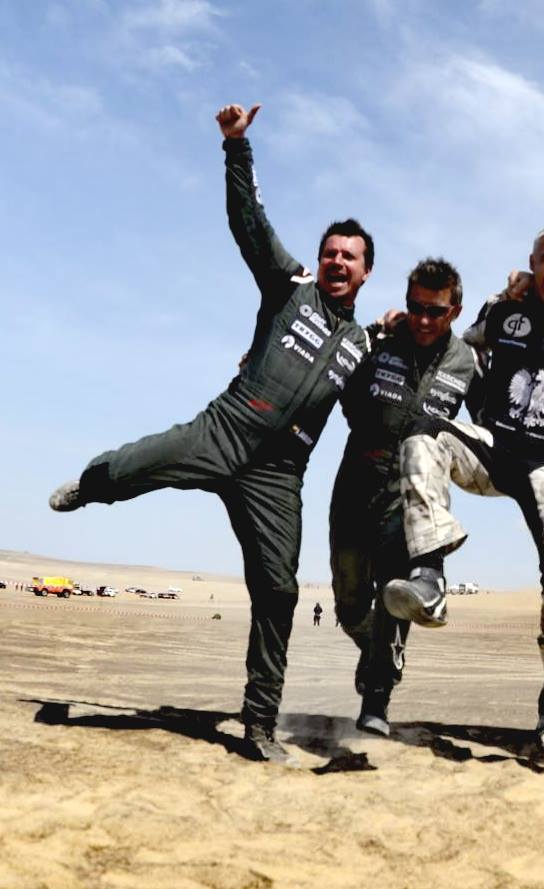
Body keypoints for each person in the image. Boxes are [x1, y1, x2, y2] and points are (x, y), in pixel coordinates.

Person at [47, 103, 378, 764]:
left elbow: (382, 412)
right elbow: (249, 223)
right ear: (319, 260)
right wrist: (236, 147)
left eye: (350, 256)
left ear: (366, 271)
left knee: (279, 592)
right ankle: (90, 484)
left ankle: (259, 724)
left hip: (279, 476)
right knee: (135, 466)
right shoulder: (289, 287)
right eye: (330, 253)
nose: (337, 261)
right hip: (225, 428)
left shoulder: (363, 346)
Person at [383, 224, 544, 754]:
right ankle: (429, 577)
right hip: (491, 446)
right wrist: (392, 325)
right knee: (423, 435)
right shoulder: (502, 310)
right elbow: (451, 340)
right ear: (532, 262)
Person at [329, 257, 481, 737]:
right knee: (349, 604)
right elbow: (333, 380)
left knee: (396, 592)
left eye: (435, 311)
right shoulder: (383, 344)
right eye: (415, 307)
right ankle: (372, 648)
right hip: (357, 485)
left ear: (455, 312)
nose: (423, 320)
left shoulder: (467, 363)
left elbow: (492, 427)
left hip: (410, 498)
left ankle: (378, 696)